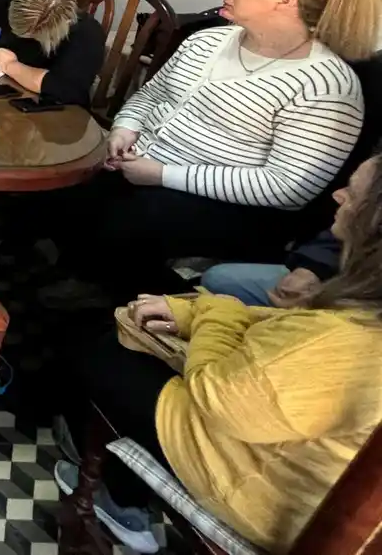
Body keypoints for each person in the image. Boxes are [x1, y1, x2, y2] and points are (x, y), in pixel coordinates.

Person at [55, 152, 382, 554]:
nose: (338, 195)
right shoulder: (362, 308)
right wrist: (194, 313)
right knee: (145, 327)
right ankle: (121, 494)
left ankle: (115, 493)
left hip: (263, 494)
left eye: (353, 193)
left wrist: (214, 311)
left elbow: (219, 399)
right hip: (289, 459)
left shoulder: (342, 338)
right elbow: (280, 329)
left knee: (105, 344)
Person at [41, 0, 380, 304]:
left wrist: (162, 175)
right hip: (145, 164)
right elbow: (151, 95)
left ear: (285, 0)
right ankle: (70, 270)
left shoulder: (325, 85)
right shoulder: (207, 41)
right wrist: (125, 128)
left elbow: (289, 188)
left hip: (232, 203)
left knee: (129, 218)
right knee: (72, 182)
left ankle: (105, 297)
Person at [202, 226, 341, 307]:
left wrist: (327, 298)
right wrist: (312, 268)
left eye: (350, 195)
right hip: (340, 273)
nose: (337, 194)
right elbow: (337, 236)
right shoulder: (346, 218)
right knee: (219, 278)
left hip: (349, 299)